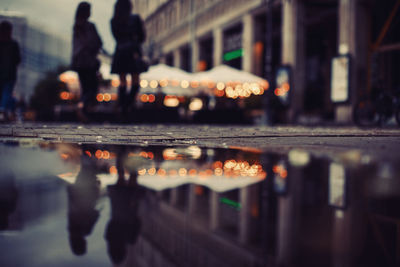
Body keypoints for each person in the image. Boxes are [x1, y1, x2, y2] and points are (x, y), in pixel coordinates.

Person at [110, 0, 146, 118]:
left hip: (120, 52)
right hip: (133, 52)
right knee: (135, 80)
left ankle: (123, 107)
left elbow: (116, 37)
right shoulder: (135, 18)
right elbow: (142, 36)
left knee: (122, 81)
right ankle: (128, 105)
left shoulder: (114, 20)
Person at [71, 2, 102, 120]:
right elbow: (96, 42)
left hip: (79, 62)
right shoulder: (89, 26)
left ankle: (83, 109)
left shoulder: (76, 26)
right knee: (93, 88)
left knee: (85, 88)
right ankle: (82, 106)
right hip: (88, 62)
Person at [0, 21, 21, 122]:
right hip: (10, 74)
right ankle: (4, 111)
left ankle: (4, 111)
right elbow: (18, 59)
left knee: (5, 93)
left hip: (7, 74)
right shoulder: (13, 44)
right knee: (7, 93)